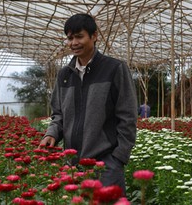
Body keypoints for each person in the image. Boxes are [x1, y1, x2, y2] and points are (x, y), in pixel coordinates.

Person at [39, 13, 137, 195]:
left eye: (79, 36)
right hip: (72, 166)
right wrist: (51, 134)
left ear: (94, 36)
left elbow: (128, 116)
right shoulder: (64, 75)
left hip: (105, 165)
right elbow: (58, 114)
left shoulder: (114, 69)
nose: (73, 43)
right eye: (69, 38)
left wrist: (118, 158)